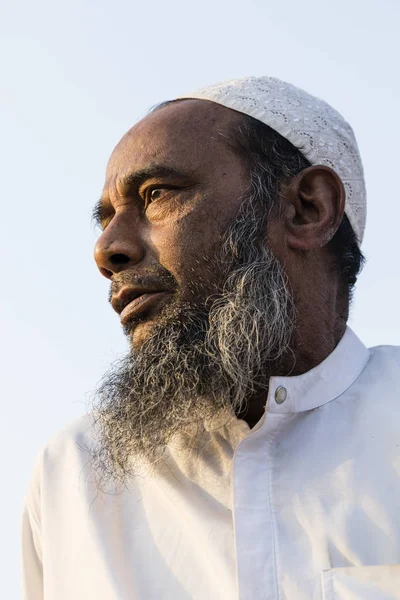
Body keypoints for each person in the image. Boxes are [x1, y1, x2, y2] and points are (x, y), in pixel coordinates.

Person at [21, 76, 400, 600]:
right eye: (105, 219)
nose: (107, 250)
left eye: (156, 195)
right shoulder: (70, 473)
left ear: (307, 208)